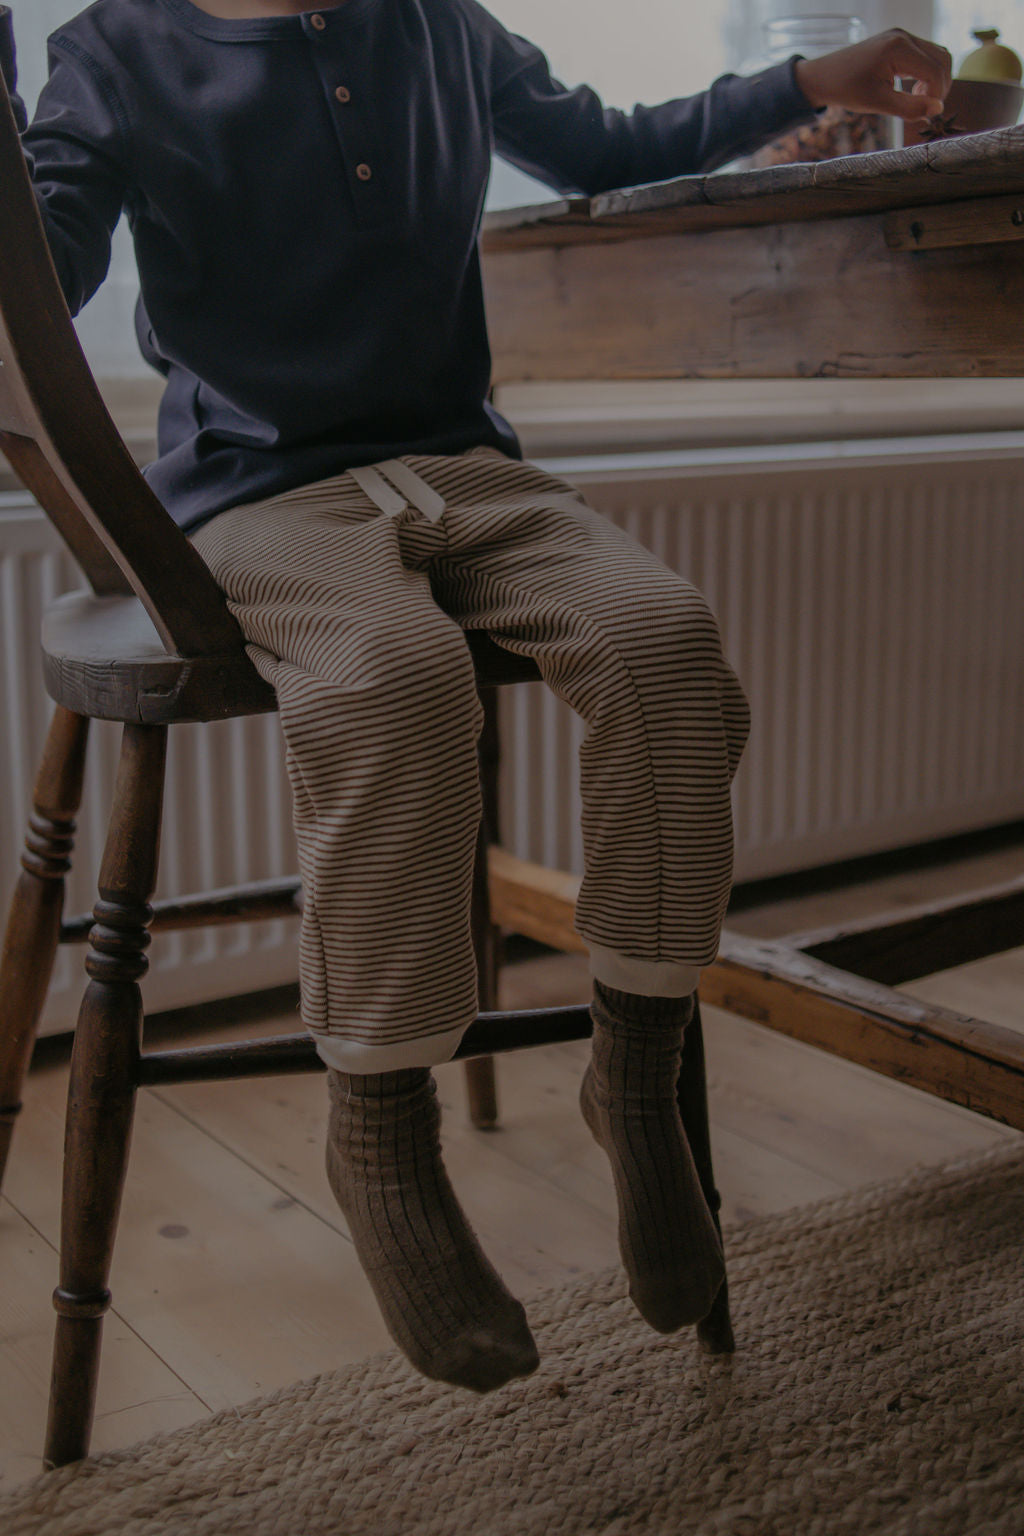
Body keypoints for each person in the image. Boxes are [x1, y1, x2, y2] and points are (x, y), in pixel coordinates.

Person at [0, 0, 950, 1393]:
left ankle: (634, 1079)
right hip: (256, 500)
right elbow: (48, 266)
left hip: (468, 470)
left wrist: (815, 76)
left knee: (664, 644)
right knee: (395, 681)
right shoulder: (112, 53)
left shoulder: (435, 20)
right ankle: (381, 1139)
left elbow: (602, 144)